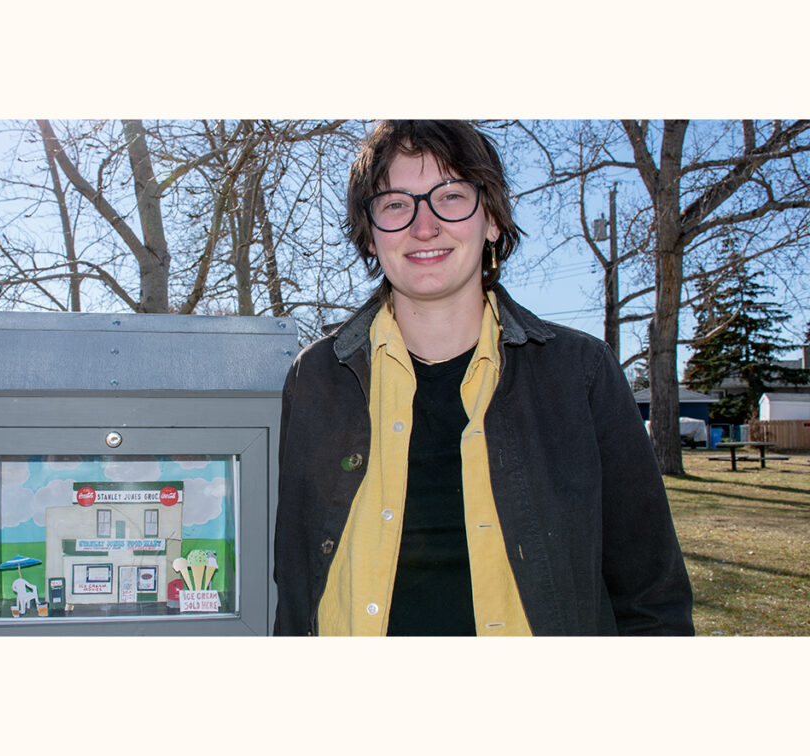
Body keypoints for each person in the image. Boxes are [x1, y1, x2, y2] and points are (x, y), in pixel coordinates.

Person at [272, 120, 693, 636]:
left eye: (450, 196)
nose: (423, 226)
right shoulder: (316, 378)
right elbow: (295, 584)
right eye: (396, 204)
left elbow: (652, 598)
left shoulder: (581, 374)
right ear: (370, 231)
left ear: (491, 219)